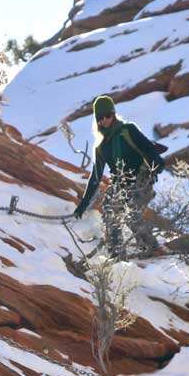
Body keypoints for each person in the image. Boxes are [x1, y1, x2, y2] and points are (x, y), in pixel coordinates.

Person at [72, 95, 166, 258]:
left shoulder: (128, 130)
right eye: (100, 118)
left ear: (114, 114)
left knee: (132, 216)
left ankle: (153, 248)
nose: (105, 120)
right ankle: (117, 254)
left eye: (107, 116)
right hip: (121, 185)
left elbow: (148, 149)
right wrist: (84, 203)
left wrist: (157, 165)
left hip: (141, 181)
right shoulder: (101, 148)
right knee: (110, 211)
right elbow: (96, 177)